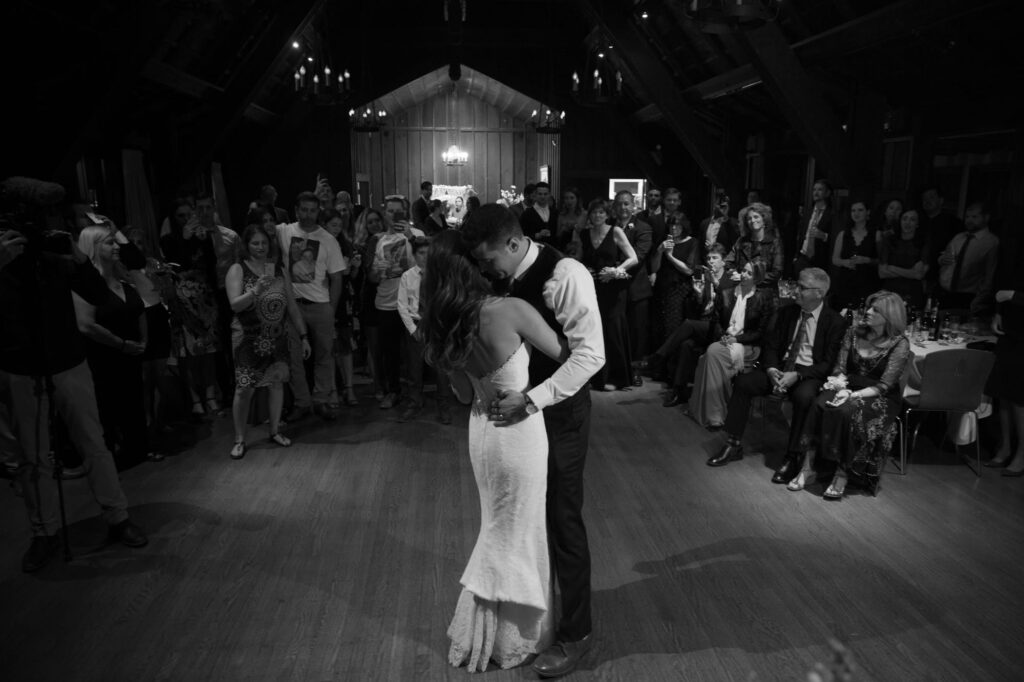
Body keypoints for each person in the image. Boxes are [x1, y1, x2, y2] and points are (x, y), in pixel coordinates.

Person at [464, 204, 604, 678]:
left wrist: (534, 398)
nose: (487, 270)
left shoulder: (566, 273)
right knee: (524, 515)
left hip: (560, 411)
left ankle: (578, 632)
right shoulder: (498, 280)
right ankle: (533, 617)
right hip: (520, 417)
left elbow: (591, 356)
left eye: (489, 260)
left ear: (513, 243)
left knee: (563, 517)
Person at [419, 231, 567, 672]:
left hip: (482, 432)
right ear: (473, 266)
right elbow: (568, 354)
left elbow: (465, 396)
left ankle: (503, 628)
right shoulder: (511, 310)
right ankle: (513, 634)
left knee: (501, 524)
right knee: (517, 529)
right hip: (519, 429)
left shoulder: (447, 325)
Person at [0, 177, 147, 573]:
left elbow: (99, 297)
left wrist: (79, 263)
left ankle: (118, 516)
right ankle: (43, 533)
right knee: (34, 459)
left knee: (93, 442)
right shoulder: (3, 248)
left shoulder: (56, 246)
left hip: (68, 359)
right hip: (20, 364)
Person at [709, 268, 847, 476]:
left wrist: (799, 375)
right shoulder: (787, 313)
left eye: (801, 288)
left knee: (803, 396)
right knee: (745, 383)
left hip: (808, 373)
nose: (795, 291)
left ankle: (793, 455)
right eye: (796, 286)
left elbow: (828, 363)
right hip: (781, 367)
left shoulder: (835, 321)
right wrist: (772, 368)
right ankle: (733, 443)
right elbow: (771, 345)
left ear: (819, 293)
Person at [795, 291, 911, 498]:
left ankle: (842, 473)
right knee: (819, 403)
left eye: (875, 310)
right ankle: (808, 466)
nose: (867, 312)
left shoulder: (899, 343)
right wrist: (842, 387)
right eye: (868, 307)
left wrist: (854, 396)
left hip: (878, 395)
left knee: (848, 411)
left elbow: (885, 385)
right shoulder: (854, 332)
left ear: (889, 316)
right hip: (847, 385)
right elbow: (839, 367)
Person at [73, 226, 161, 468]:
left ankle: (138, 451)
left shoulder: (122, 276)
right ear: (93, 247)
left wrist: (142, 341)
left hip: (131, 352)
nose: (115, 247)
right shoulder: (85, 283)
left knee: (133, 403)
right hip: (104, 357)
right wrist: (122, 345)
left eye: (115, 242)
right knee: (107, 407)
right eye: (109, 243)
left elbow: (140, 309)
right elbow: (86, 325)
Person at [225, 223, 310, 459]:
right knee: (244, 388)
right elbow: (234, 304)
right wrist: (255, 291)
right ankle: (240, 439)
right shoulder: (237, 269)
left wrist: (303, 336)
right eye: (255, 243)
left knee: (276, 382)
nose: (260, 247)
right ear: (246, 245)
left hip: (276, 336)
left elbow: (291, 306)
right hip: (247, 338)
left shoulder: (277, 269)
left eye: (264, 242)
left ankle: (274, 431)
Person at [276, 191, 348, 421]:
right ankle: (302, 403)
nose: (308, 215)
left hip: (320, 305)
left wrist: (331, 308)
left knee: (325, 355)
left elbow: (337, 277)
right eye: (304, 210)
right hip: (292, 306)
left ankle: (321, 400)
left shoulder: (327, 239)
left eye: (312, 210)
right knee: (294, 357)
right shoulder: (284, 232)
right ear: (296, 210)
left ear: (318, 211)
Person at [687, 259, 774, 429]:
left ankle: (714, 414)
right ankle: (716, 412)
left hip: (747, 345)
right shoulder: (726, 293)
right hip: (724, 340)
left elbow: (760, 332)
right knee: (708, 357)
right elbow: (716, 320)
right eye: (743, 270)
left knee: (711, 354)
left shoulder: (763, 299)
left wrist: (737, 340)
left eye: (749, 273)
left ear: (757, 278)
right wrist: (723, 336)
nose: (743, 274)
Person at [160, 198, 222, 419]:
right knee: (188, 352)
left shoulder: (202, 235)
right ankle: (195, 399)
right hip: (183, 300)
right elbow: (178, 265)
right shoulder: (168, 240)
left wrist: (203, 240)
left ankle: (211, 394)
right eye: (181, 216)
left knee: (209, 351)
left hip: (204, 298)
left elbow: (211, 264)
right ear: (173, 219)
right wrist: (185, 240)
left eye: (189, 214)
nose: (187, 219)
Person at [577, 199, 638, 391]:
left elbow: (633, 258)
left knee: (612, 331)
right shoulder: (584, 234)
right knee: (595, 332)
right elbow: (578, 258)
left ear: (607, 215)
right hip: (592, 289)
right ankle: (597, 378)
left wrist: (615, 270)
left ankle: (617, 377)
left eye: (601, 213)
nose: (597, 216)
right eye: (594, 213)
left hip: (613, 289)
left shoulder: (616, 231)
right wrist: (584, 269)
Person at [397, 237, 452, 424]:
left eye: (428, 254)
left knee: (441, 370)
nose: (425, 257)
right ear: (414, 255)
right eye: (421, 253)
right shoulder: (408, 276)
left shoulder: (441, 275)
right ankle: (414, 403)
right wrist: (413, 329)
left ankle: (443, 406)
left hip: (435, 324)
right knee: (415, 368)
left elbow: (446, 302)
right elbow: (402, 306)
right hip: (416, 323)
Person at [984, 231, 1024, 477]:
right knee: (1003, 392)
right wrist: (1000, 310)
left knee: (1020, 396)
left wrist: (1014, 297)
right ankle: (1006, 446)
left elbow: (1011, 290)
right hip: (1012, 324)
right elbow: (1006, 278)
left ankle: (1022, 454)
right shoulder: (1015, 243)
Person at [367, 209, 413, 409]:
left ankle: (415, 395)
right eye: (389, 211)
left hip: (412, 303)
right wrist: (377, 271)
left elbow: (428, 262)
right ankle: (393, 391)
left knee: (413, 352)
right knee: (390, 352)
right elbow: (372, 278)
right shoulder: (378, 240)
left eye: (398, 211)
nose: (393, 215)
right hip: (386, 303)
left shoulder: (416, 235)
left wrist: (411, 236)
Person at [650, 197, 699, 345]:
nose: (674, 229)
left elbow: (689, 270)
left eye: (677, 226)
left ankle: (672, 362)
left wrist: (669, 256)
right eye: (671, 226)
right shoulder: (665, 241)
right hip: (662, 287)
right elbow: (654, 268)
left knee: (674, 325)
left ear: (683, 226)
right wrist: (659, 251)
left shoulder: (692, 242)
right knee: (659, 325)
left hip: (680, 289)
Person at [935, 202, 999, 315]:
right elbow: (944, 256)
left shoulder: (991, 242)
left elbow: (990, 276)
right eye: (967, 217)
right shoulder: (958, 237)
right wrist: (941, 259)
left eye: (974, 217)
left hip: (967, 296)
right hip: (944, 292)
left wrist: (979, 301)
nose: (969, 220)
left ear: (986, 217)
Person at [830, 200, 880, 312]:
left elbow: (882, 261)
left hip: (867, 281)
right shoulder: (843, 234)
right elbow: (835, 259)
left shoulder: (876, 234)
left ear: (868, 212)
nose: (856, 213)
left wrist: (866, 260)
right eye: (853, 210)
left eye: (860, 210)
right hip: (846, 281)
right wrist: (845, 262)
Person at [878, 207, 929, 309]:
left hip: (912, 292)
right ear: (900, 221)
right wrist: (910, 272)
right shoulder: (889, 240)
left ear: (918, 224)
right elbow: (882, 273)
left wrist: (892, 268)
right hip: (889, 292)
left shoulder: (923, 242)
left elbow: (919, 275)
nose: (907, 222)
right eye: (904, 218)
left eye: (912, 219)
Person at [728, 202, 785, 293]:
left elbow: (776, 273)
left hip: (765, 293)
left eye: (756, 217)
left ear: (764, 219)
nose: (753, 220)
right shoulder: (741, 241)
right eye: (749, 218)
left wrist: (749, 278)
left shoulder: (775, 242)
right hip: (742, 291)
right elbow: (728, 263)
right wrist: (733, 273)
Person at [791, 179, 835, 276]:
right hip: (803, 258)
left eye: (820, 190)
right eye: (814, 189)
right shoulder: (807, 211)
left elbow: (835, 238)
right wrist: (796, 256)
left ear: (827, 193)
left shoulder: (831, 214)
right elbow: (801, 234)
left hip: (819, 260)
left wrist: (824, 236)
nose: (816, 192)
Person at [698, 191, 740, 261]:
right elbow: (700, 246)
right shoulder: (704, 223)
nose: (721, 206)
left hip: (725, 263)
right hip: (707, 262)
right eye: (719, 204)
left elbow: (735, 244)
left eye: (724, 205)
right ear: (714, 204)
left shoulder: (733, 224)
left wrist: (725, 215)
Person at [520, 181, 559, 247]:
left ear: (549, 195)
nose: (542, 197)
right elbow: (522, 234)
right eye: (540, 194)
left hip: (552, 249)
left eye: (545, 194)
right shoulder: (527, 214)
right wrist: (537, 235)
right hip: (535, 249)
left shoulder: (555, 212)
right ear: (535, 195)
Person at [556, 187, 586, 251]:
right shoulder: (561, 215)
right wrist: (563, 229)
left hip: (580, 248)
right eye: (566, 198)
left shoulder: (584, 214)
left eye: (572, 198)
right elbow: (558, 235)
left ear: (577, 199)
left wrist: (577, 228)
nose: (569, 201)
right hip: (564, 247)